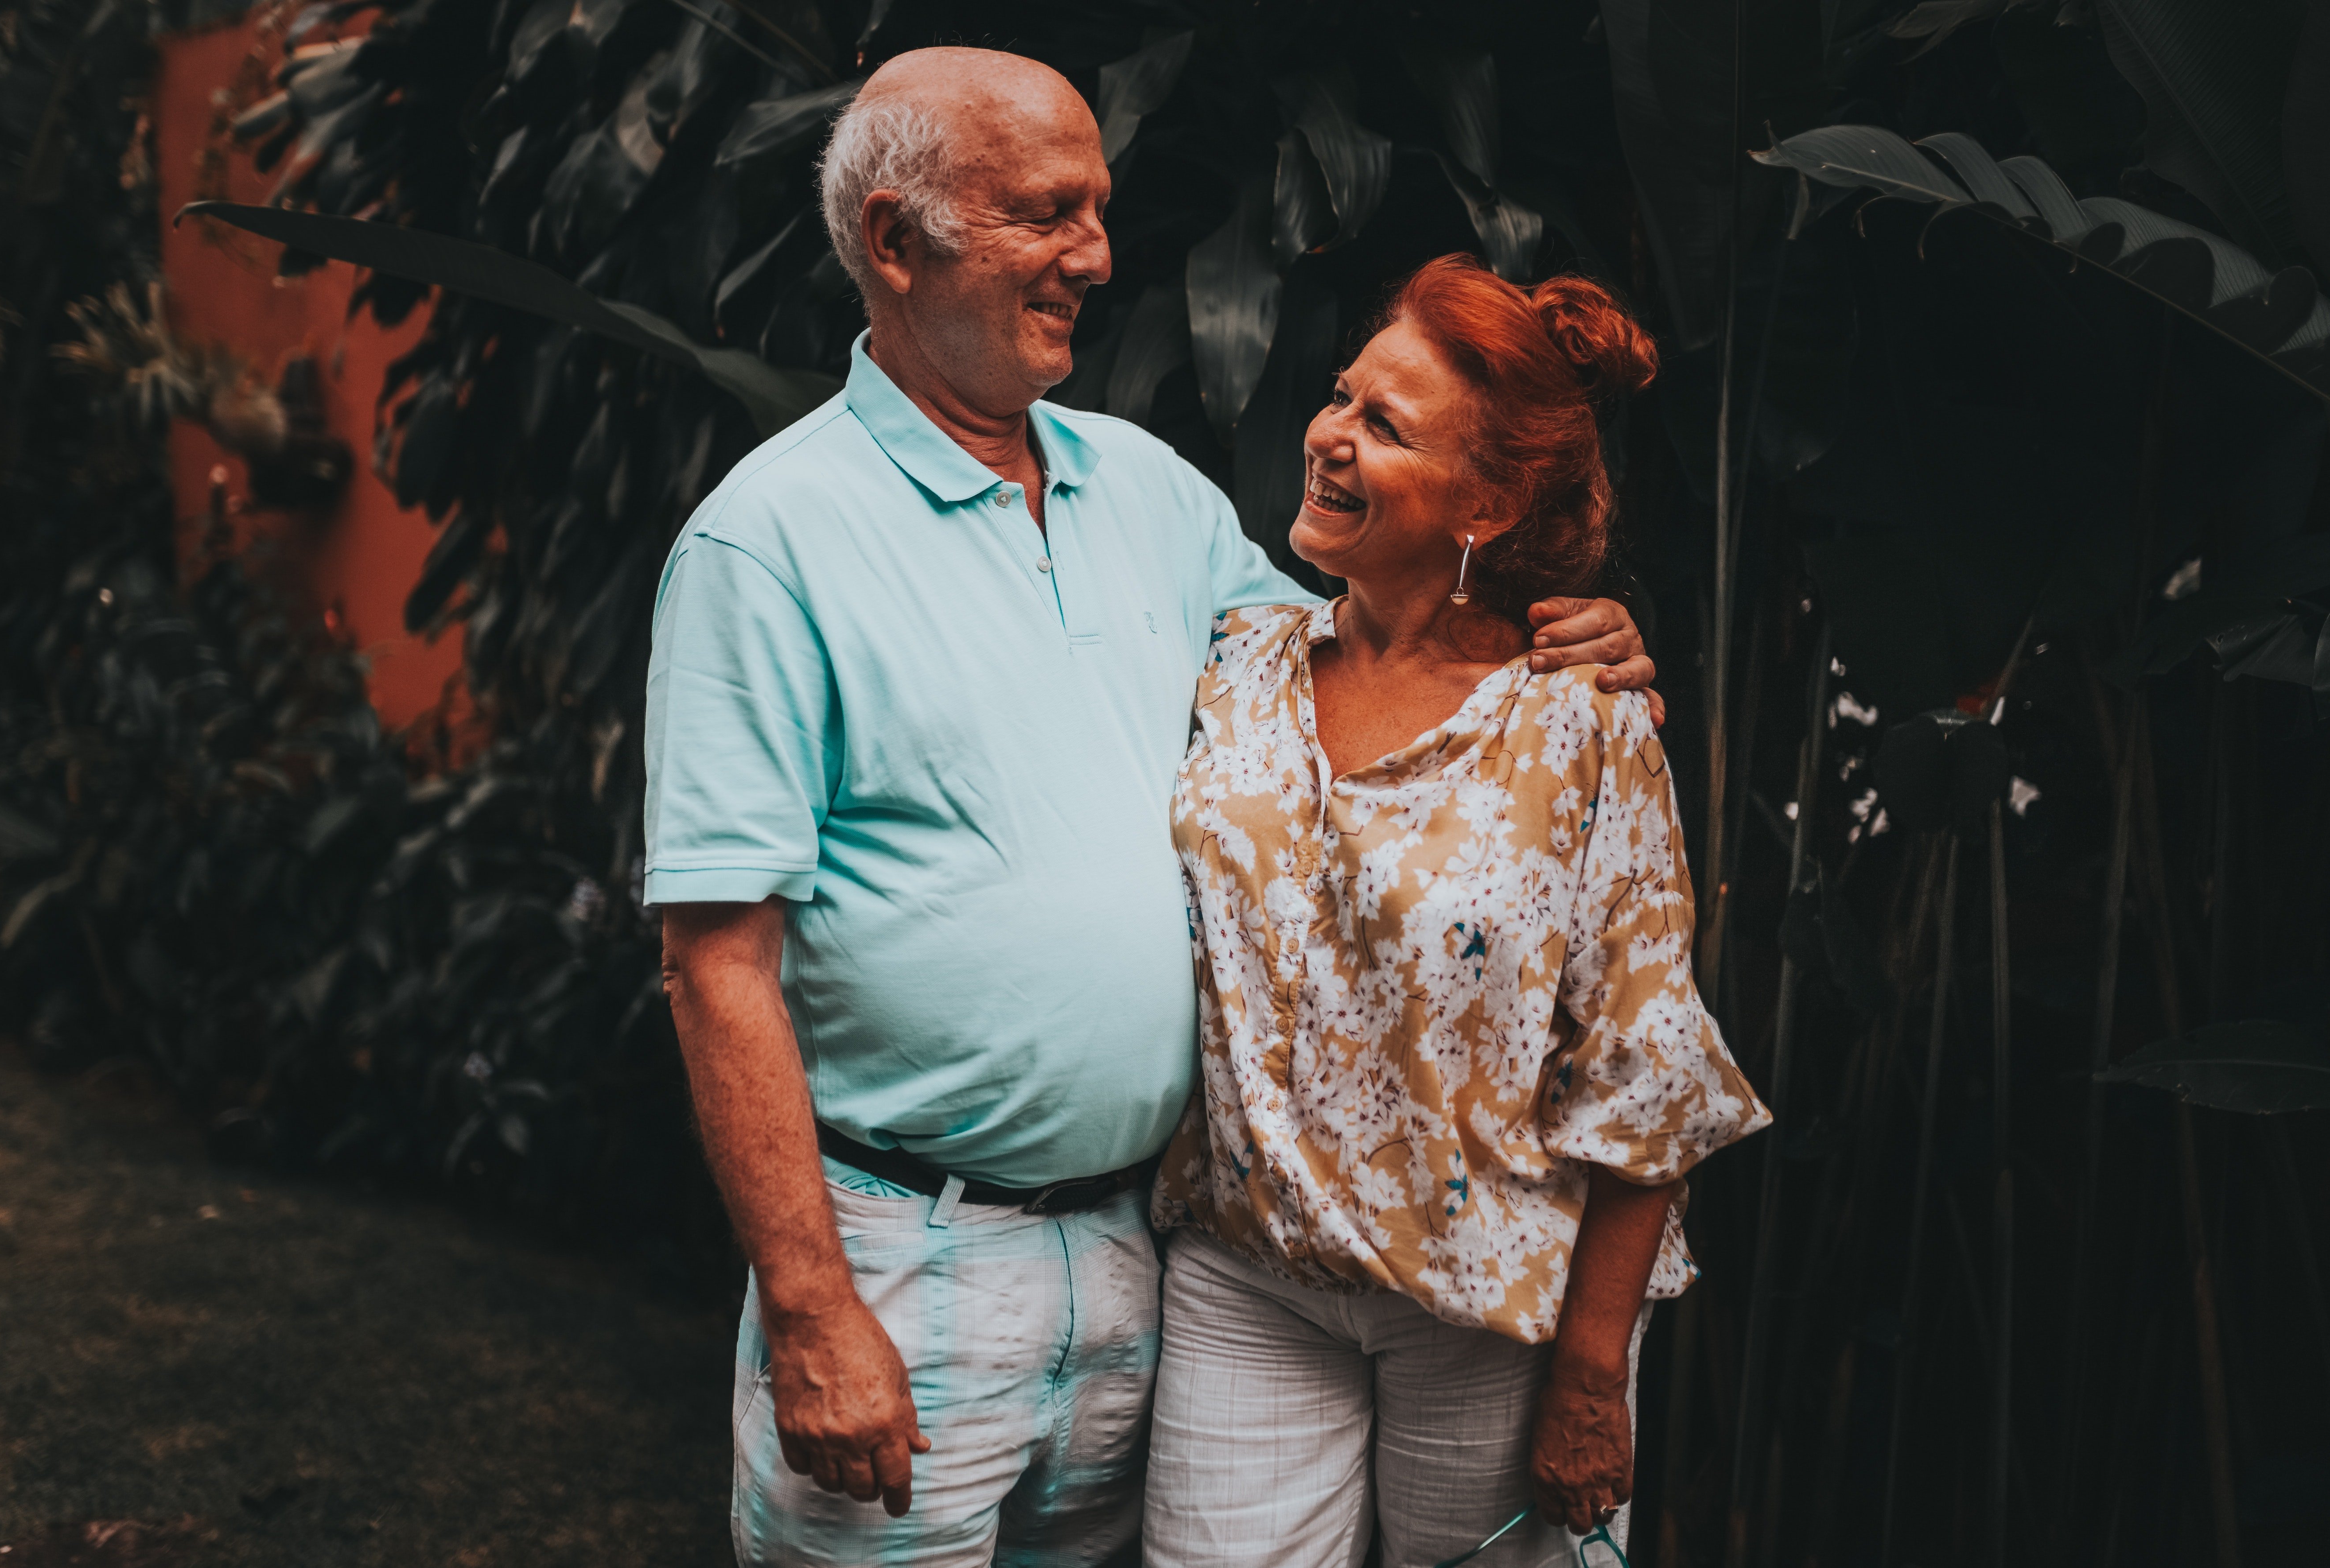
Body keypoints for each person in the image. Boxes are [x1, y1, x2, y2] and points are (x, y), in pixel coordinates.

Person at [645, 48, 1660, 1568]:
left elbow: (1373, 670)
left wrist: (1557, 636)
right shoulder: (769, 545)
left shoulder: (1151, 496)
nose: (1099, 258)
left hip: (1148, 1266)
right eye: (1047, 213)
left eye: (1098, 211)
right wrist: (809, 1305)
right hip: (904, 1263)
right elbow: (715, 958)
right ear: (897, 242)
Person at [1140, 256, 1770, 1568]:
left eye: (1384, 425)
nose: (1329, 435)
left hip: (1497, 1319)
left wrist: (1595, 1376)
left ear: (1486, 502)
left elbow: (1646, 1074)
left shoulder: (1581, 723)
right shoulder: (1240, 664)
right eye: (1340, 397)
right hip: (1250, 1278)